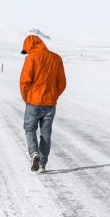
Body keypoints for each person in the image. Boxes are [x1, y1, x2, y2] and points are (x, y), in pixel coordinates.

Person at [19, 34, 67, 173]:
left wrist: (27, 97)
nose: (26, 53)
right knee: (46, 134)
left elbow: (24, 82)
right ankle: (42, 164)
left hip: (33, 101)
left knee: (30, 129)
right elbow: (62, 83)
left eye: (26, 50)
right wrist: (53, 95)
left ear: (29, 46)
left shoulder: (31, 58)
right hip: (50, 104)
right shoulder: (56, 58)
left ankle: (34, 153)